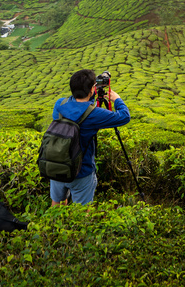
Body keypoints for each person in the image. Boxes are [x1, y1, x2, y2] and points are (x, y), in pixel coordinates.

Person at [49, 69, 131, 206]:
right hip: (81, 172)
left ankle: (52, 226)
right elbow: (124, 116)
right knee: (82, 215)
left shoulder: (59, 104)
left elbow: (79, 106)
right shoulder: (94, 115)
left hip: (57, 166)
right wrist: (117, 99)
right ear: (92, 89)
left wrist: (91, 91)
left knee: (56, 204)